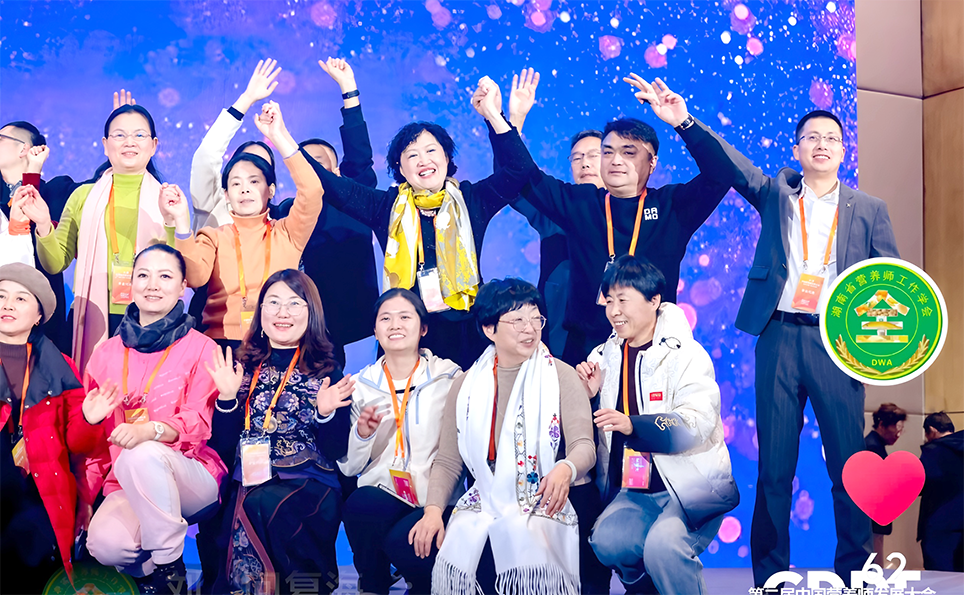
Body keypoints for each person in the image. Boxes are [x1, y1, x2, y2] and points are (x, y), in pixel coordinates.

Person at [626, 76, 901, 585]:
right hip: (778, 336)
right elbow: (732, 166)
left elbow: (892, 283)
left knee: (850, 467)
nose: (821, 144)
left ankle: (857, 574)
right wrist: (684, 121)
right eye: (811, 137)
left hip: (838, 344)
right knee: (775, 470)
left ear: (844, 151)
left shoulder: (869, 209)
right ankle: (771, 578)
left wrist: (879, 346)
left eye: (831, 138)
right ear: (797, 149)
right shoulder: (777, 194)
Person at [491, 72, 731, 366]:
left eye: (629, 152)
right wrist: (502, 121)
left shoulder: (672, 206)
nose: (616, 160)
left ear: (652, 162)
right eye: (608, 152)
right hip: (584, 355)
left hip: (653, 353)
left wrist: (683, 122)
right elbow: (520, 176)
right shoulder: (581, 203)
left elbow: (722, 174)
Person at [305, 77, 536, 369]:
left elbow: (520, 169)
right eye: (412, 155)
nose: (423, 160)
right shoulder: (386, 206)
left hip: (465, 332)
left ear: (447, 158)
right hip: (404, 335)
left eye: (431, 151)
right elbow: (332, 185)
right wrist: (283, 140)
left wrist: (493, 115)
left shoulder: (471, 199)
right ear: (400, 168)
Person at [410, 278, 595, 594]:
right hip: (487, 495)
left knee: (513, 565)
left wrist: (566, 468)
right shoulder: (466, 385)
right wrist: (433, 510)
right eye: (517, 320)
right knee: (460, 555)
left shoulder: (560, 374)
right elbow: (448, 461)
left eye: (536, 318)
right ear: (489, 329)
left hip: (552, 493)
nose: (530, 329)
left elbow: (584, 446)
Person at [576, 255, 738, 595]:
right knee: (606, 540)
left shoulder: (687, 355)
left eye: (623, 300)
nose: (614, 311)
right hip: (636, 491)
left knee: (664, 547)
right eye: (609, 301)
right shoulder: (603, 357)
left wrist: (633, 425)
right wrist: (589, 396)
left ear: (654, 301)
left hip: (693, 488)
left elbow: (695, 424)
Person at [81, 244, 226, 595]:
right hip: (126, 480)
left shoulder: (202, 347)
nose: (153, 285)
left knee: (143, 452)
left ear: (183, 287)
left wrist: (152, 430)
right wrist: (85, 495)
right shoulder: (105, 354)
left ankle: (170, 573)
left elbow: (198, 421)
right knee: (105, 544)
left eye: (165, 276)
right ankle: (149, 581)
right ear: (130, 283)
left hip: (191, 474)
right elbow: (96, 447)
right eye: (143, 275)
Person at [207, 269, 354, 595]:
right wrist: (227, 398)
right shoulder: (242, 365)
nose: (282, 312)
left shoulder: (327, 369)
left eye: (294, 303)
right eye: (273, 303)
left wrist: (325, 414)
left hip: (309, 482)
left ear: (311, 313)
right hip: (249, 477)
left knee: (266, 504)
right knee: (232, 512)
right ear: (261, 312)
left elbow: (336, 451)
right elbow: (222, 446)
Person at [161, 100, 323, 346]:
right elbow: (195, 278)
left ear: (271, 190)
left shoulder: (288, 233)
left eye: (254, 182)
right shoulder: (213, 236)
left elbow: (312, 191)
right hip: (221, 346)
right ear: (226, 194)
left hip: (276, 343)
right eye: (236, 183)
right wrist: (182, 223)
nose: (245, 189)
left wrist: (278, 136)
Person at [26, 104, 174, 372]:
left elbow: (175, 267)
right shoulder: (83, 196)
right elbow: (55, 263)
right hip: (92, 316)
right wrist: (45, 225)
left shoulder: (168, 198)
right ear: (105, 145)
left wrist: (172, 221)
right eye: (119, 135)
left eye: (139, 135)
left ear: (154, 145)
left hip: (149, 318)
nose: (129, 142)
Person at [338, 288, 462, 595]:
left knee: (406, 544)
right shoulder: (360, 385)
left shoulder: (449, 378)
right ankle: (374, 583)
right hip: (385, 491)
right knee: (360, 505)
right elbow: (350, 468)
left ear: (423, 328)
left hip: (436, 498)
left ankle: (421, 584)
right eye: (386, 319)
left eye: (405, 317)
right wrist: (363, 434)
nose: (395, 325)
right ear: (375, 330)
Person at [0, 263, 105, 592]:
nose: (7, 305)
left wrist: (89, 419)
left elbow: (78, 445)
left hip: (40, 495)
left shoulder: (60, 367)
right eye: (1, 296)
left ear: (38, 316)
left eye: (20, 299)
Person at [273, 58, 381, 367]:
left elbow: (359, 158)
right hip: (292, 322)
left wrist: (349, 90)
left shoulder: (356, 201)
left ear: (335, 170)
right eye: (304, 164)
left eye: (318, 163)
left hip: (342, 322)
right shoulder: (284, 211)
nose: (311, 169)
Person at [918, 412, 964, 571]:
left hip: (939, 526)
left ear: (932, 430)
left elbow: (920, 485)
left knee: (939, 578)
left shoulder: (933, 451)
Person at [864, 402, 906, 561]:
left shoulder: (874, 444)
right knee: (875, 556)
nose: (898, 434)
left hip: (875, 516)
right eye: (896, 428)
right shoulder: (873, 447)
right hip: (873, 515)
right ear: (882, 425)